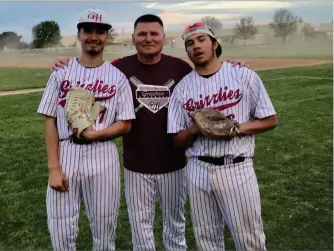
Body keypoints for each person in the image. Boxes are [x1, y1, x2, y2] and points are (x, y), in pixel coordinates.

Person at [50, 15, 249, 251]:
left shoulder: (181, 68)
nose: (148, 38)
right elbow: (92, 73)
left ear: (164, 39)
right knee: (140, 230)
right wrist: (65, 64)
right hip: (136, 164)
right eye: (142, 34)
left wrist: (234, 66)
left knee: (175, 227)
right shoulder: (119, 69)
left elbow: (210, 76)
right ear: (133, 39)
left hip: (175, 162)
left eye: (154, 34)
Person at [167, 22, 278, 251]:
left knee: (250, 240)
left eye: (201, 40)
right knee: (206, 240)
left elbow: (270, 119)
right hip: (198, 169)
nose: (196, 46)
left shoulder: (243, 75)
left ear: (215, 44)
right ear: (186, 51)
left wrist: (236, 129)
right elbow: (177, 140)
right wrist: (196, 129)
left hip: (236, 167)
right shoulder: (182, 89)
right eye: (190, 43)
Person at [37, 8, 136, 251]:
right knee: (60, 228)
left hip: (103, 154)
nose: (94, 36)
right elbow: (49, 120)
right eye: (88, 30)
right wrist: (53, 168)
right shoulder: (61, 73)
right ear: (79, 34)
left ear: (106, 37)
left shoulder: (117, 77)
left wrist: (95, 134)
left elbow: (125, 123)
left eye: (100, 31)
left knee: (104, 227)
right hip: (66, 151)